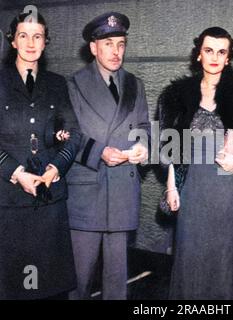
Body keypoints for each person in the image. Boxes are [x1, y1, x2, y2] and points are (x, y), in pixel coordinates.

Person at [158, 27, 233, 300]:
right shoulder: (176, 95)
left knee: (223, 261)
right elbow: (169, 148)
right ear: (198, 54)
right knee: (189, 259)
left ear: (229, 57)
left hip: (226, 188)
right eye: (208, 50)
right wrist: (172, 188)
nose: (215, 57)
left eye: (222, 52)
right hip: (191, 189)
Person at [66, 12, 150, 300]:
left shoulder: (135, 85)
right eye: (108, 44)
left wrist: (143, 147)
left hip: (123, 192)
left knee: (117, 282)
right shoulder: (73, 85)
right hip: (88, 192)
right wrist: (99, 152)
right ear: (93, 47)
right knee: (79, 279)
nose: (116, 52)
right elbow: (65, 136)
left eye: (121, 44)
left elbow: (142, 127)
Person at [0, 11, 81, 299]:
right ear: (12, 41)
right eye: (23, 35)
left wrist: (56, 167)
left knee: (50, 289)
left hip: (50, 203)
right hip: (9, 204)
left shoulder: (58, 85)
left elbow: (74, 134)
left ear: (46, 42)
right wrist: (16, 172)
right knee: (14, 289)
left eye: (38, 36)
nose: (31, 43)